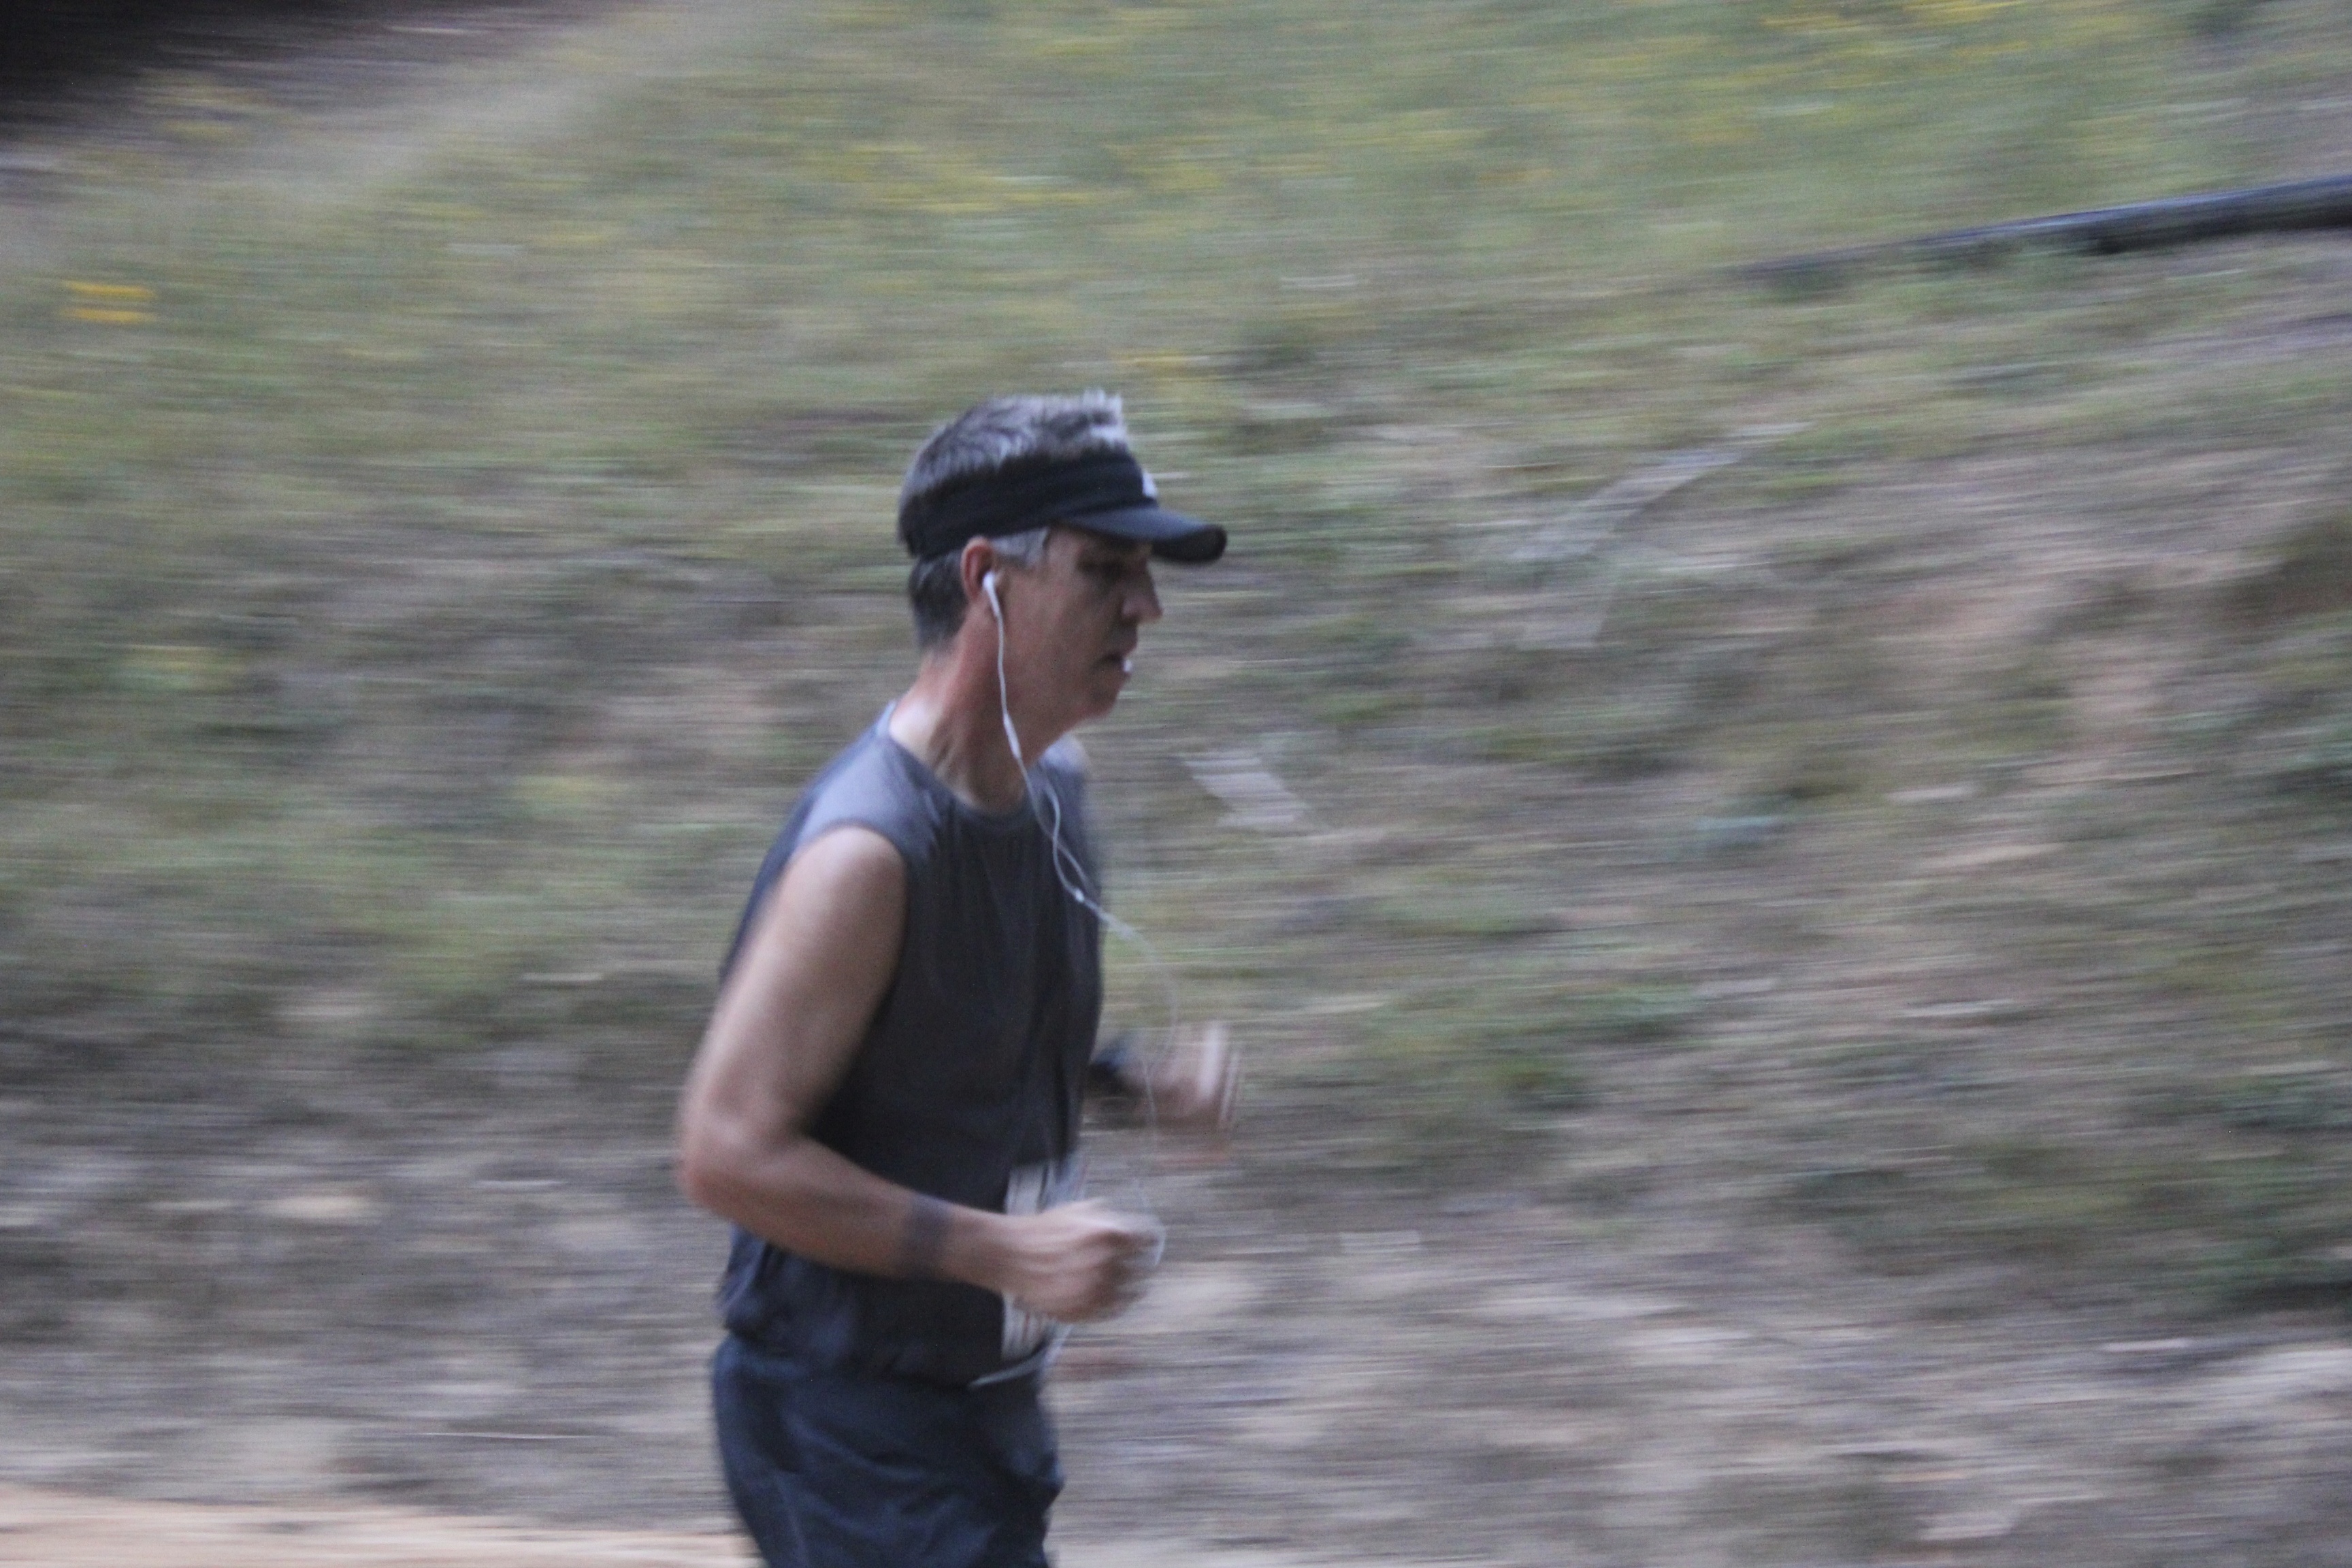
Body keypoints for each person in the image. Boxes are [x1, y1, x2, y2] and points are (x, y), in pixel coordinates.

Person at [675, 391, 1239, 1568]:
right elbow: (725, 1152)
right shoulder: (868, 855)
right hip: (843, 1426)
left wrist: (1131, 1081)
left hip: (980, 1412)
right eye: (1106, 571)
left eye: (1145, 574)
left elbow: (943, 1043)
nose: (1146, 607)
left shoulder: (1053, 789)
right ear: (987, 578)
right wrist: (1003, 1252)